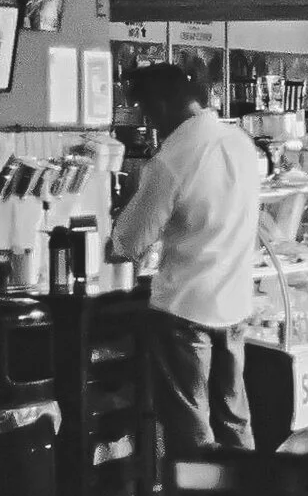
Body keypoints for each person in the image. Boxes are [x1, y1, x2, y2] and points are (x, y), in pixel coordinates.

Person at [109, 64, 262, 453]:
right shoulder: (241, 143)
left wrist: (116, 230)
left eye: (147, 111)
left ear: (161, 104)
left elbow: (129, 241)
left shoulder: (174, 158)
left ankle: (199, 492)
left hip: (185, 309)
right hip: (234, 304)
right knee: (234, 421)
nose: (149, 123)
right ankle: (249, 489)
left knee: (191, 430)